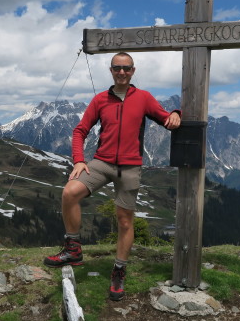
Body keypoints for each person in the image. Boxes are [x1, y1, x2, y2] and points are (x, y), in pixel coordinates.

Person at [44, 52, 181, 301]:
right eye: (117, 68)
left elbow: (165, 119)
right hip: (101, 163)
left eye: (126, 69)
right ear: (110, 70)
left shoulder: (144, 98)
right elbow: (80, 131)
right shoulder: (100, 100)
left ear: (133, 71)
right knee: (69, 192)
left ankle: (119, 270)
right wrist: (78, 160)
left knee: (125, 221)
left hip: (129, 167)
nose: (121, 72)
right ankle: (73, 249)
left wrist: (175, 112)